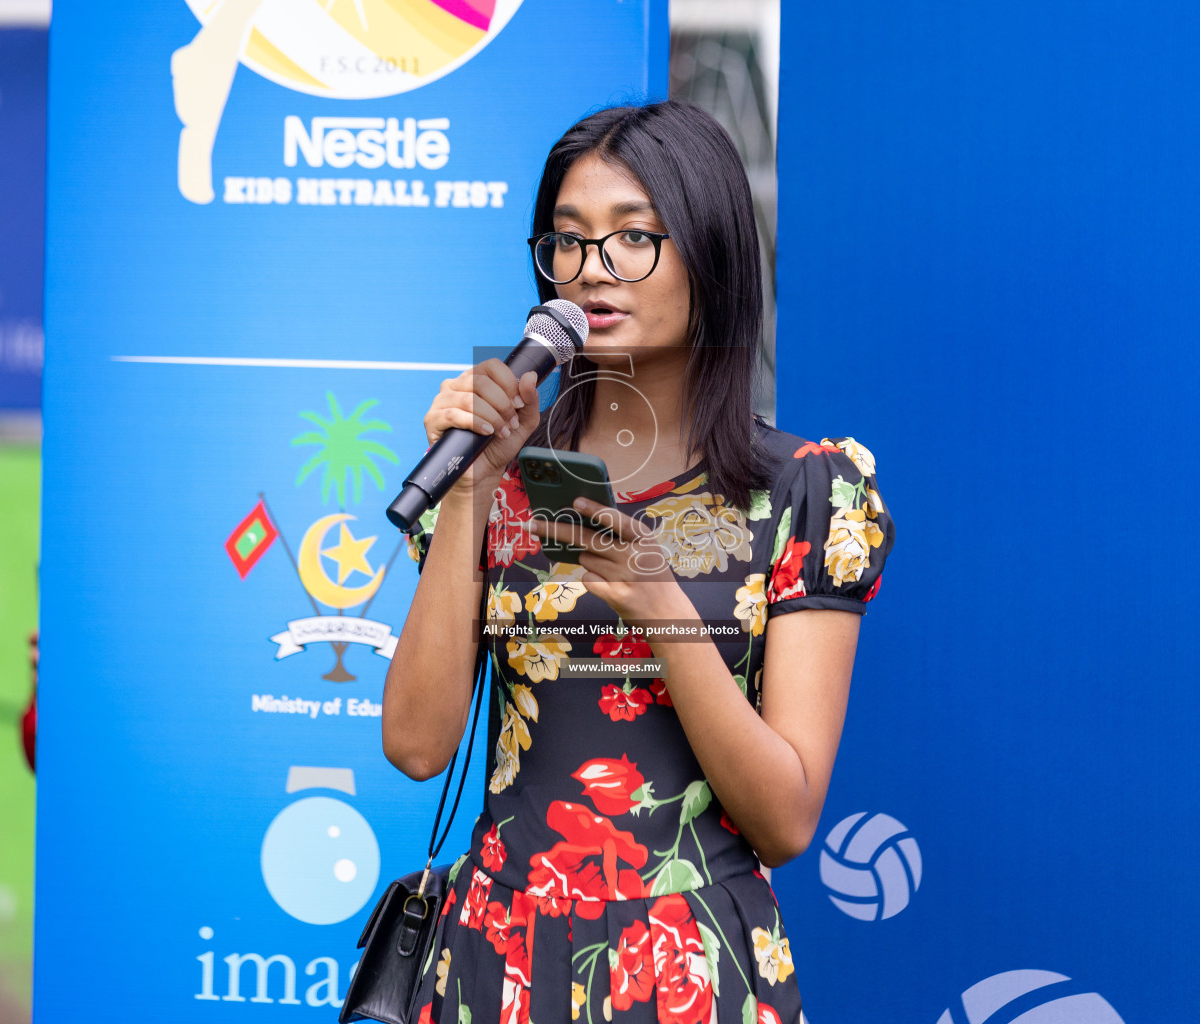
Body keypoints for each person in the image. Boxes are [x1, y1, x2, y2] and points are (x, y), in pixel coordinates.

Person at [382, 100, 894, 1024]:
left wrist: (659, 601)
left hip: (689, 963)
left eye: (632, 238)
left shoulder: (804, 490)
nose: (592, 271)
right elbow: (416, 748)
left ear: (711, 252)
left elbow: (785, 821)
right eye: (569, 242)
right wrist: (467, 491)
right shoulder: (501, 477)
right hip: (496, 957)